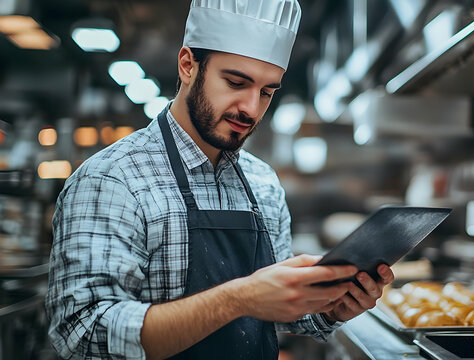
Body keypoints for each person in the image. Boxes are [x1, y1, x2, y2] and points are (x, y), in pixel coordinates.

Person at [45, 0, 394, 359]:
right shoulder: (113, 179)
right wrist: (238, 298)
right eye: (236, 82)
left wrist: (329, 308)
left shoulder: (262, 183)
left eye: (266, 92)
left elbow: (277, 313)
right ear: (187, 65)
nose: (251, 108)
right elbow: (83, 334)